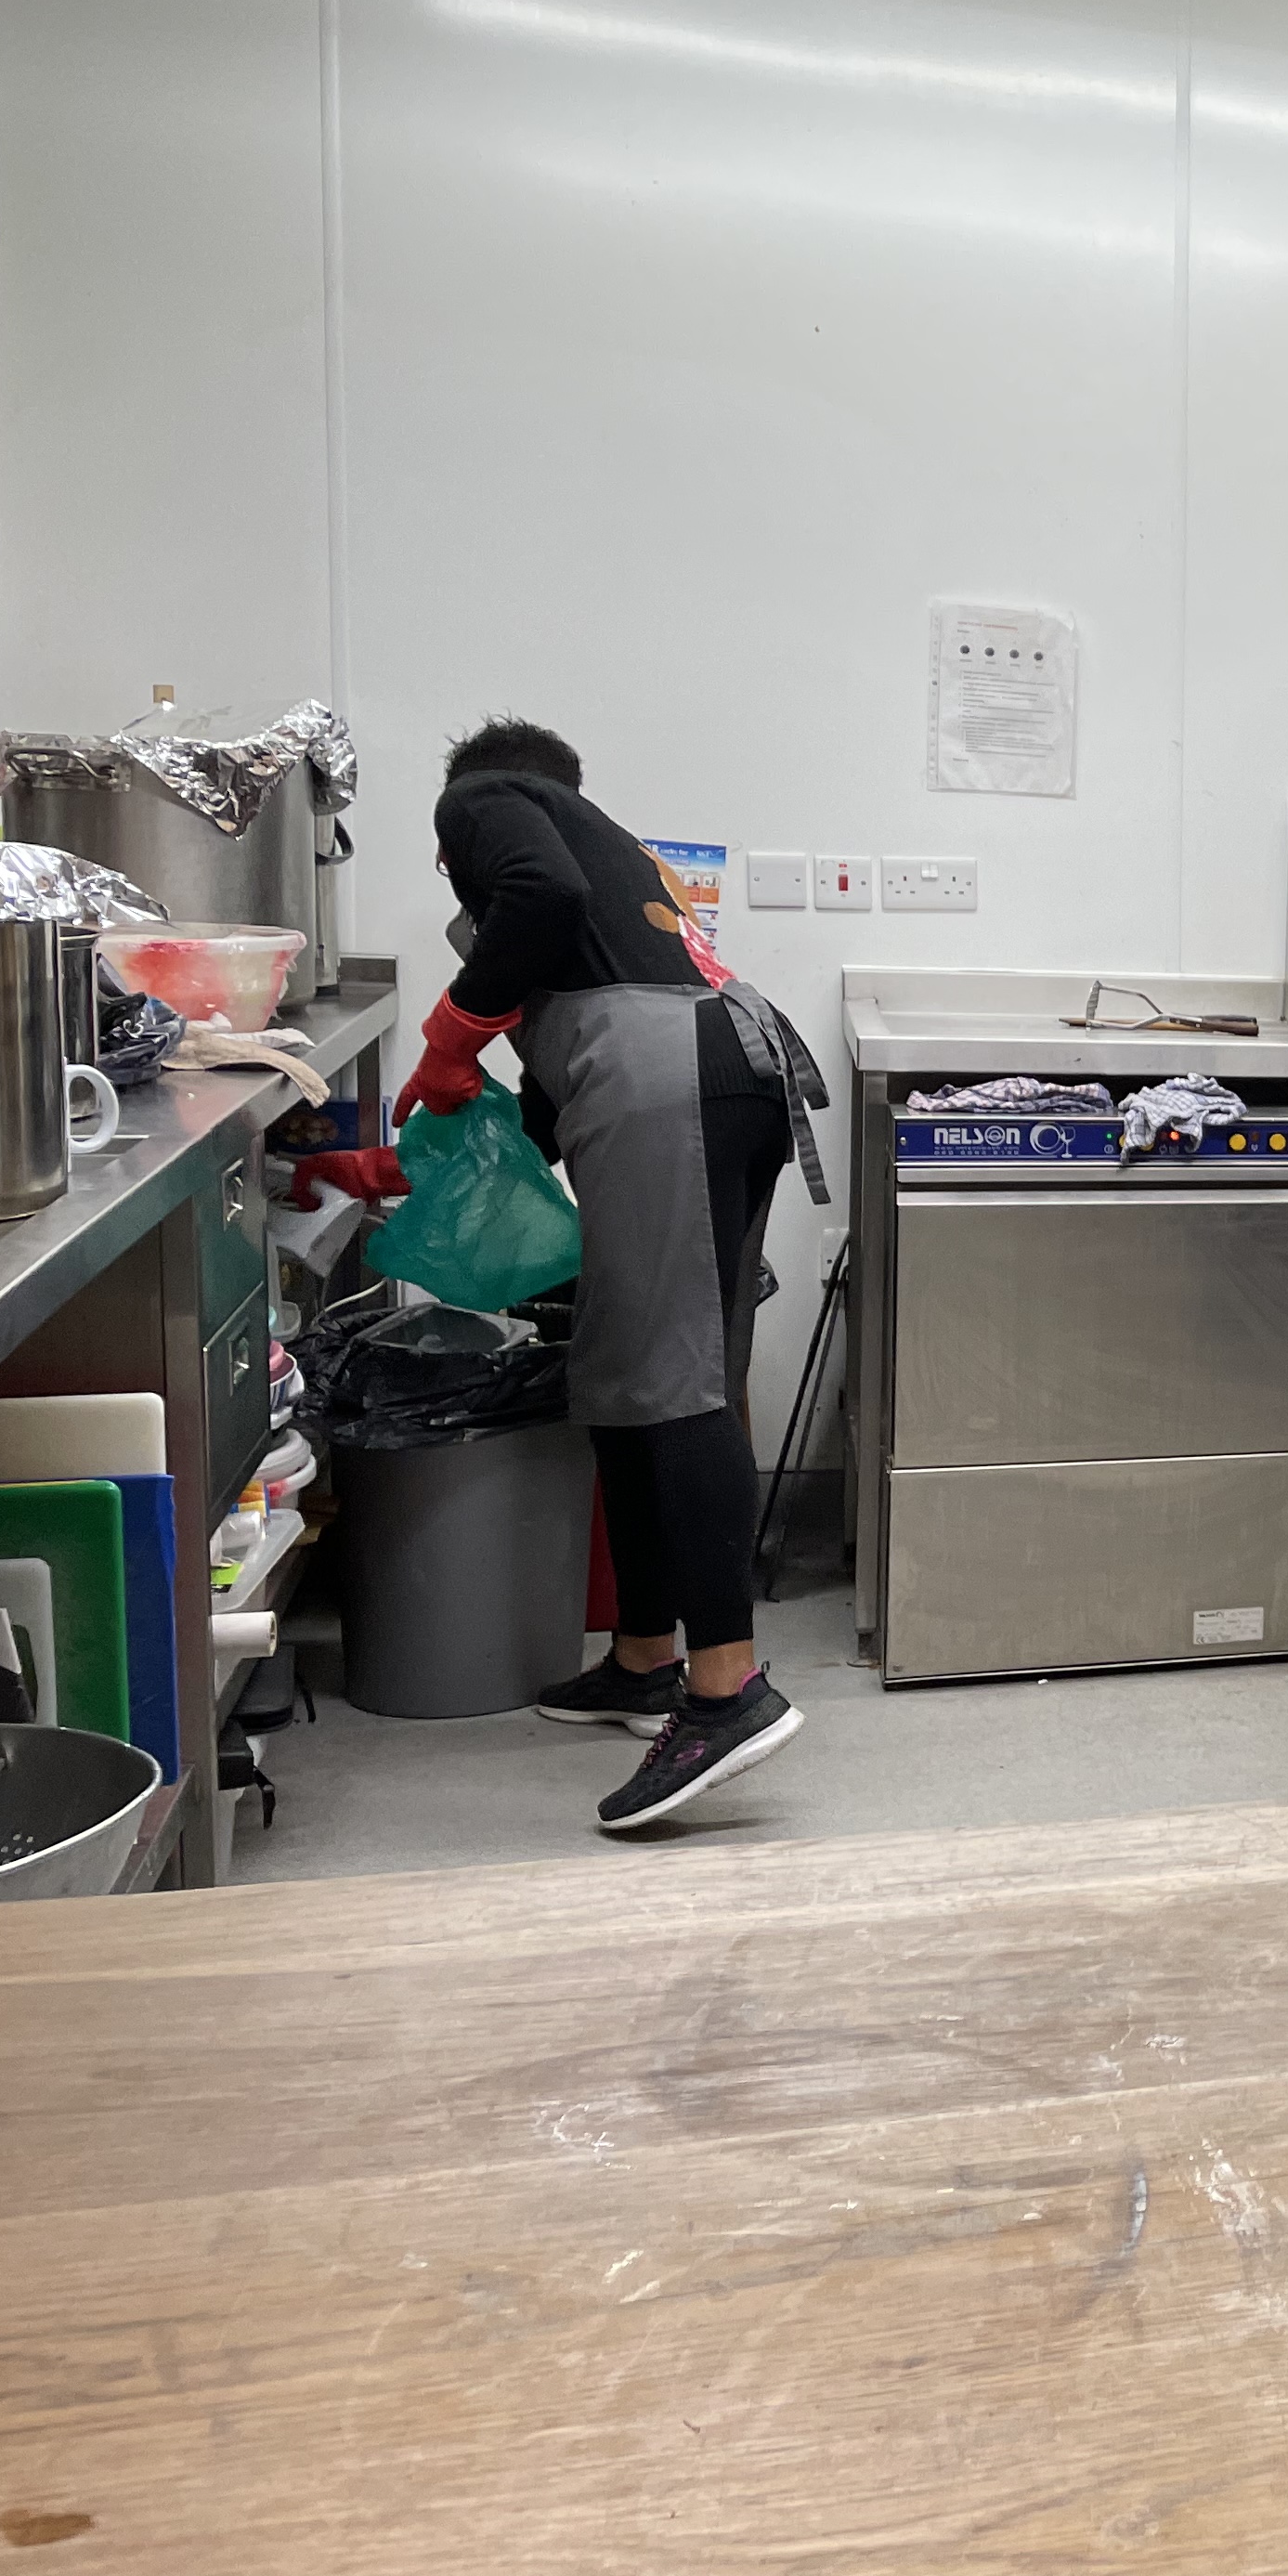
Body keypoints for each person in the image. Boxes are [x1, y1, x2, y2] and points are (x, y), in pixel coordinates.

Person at [296, 718, 829, 1827]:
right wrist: (387, 1170)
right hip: (729, 1067)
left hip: (667, 1078)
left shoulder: (488, 802)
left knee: (664, 1382)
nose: (458, 872)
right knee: (632, 1373)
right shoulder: (614, 890)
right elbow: (536, 1132)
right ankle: (643, 1660)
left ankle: (726, 1691)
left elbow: (532, 901)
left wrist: (447, 1037)